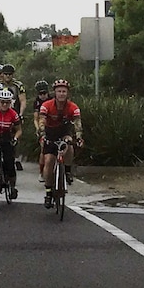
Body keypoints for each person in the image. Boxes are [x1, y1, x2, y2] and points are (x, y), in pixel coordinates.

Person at [38, 79, 84, 209]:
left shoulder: (73, 107)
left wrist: (79, 137)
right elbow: (42, 121)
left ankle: (67, 171)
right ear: (55, 93)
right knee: (49, 161)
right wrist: (42, 134)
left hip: (65, 132)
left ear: (67, 93)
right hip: (50, 133)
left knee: (68, 145)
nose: (61, 94)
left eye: (64, 91)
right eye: (59, 91)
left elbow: (77, 124)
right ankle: (48, 192)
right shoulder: (47, 105)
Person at [0, 64, 27, 170]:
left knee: (17, 135)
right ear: (2, 74)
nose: (7, 76)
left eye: (10, 74)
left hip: (13, 113)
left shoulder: (18, 85)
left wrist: (21, 114)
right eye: (5, 74)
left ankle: (17, 159)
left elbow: (23, 100)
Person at [32, 80, 51, 176]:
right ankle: (41, 171)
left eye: (45, 93)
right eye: (40, 93)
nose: (43, 95)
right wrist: (38, 128)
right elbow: (36, 118)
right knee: (44, 149)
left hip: (52, 124)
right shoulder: (37, 102)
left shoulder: (52, 99)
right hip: (42, 125)